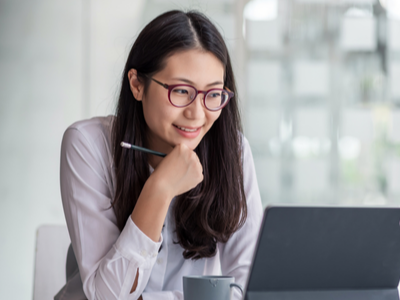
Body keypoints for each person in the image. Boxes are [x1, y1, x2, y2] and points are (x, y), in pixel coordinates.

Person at [55, 9, 263, 300]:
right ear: (137, 84)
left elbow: (250, 284)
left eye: (213, 94)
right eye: (180, 91)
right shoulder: (88, 144)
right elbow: (107, 296)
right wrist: (161, 187)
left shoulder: (233, 151)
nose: (197, 113)